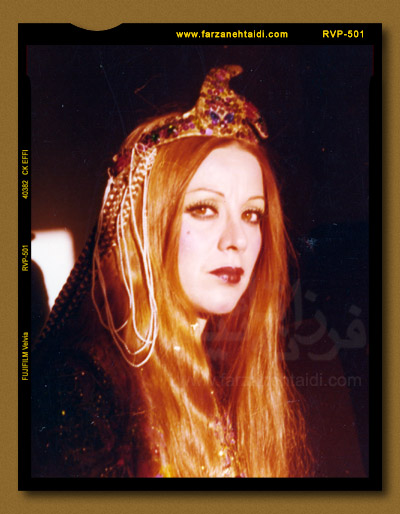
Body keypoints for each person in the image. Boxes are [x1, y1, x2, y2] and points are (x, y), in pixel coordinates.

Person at [31, 65, 313, 478]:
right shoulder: (85, 387)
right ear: (146, 224)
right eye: (204, 209)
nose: (236, 239)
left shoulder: (232, 371)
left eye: (252, 214)